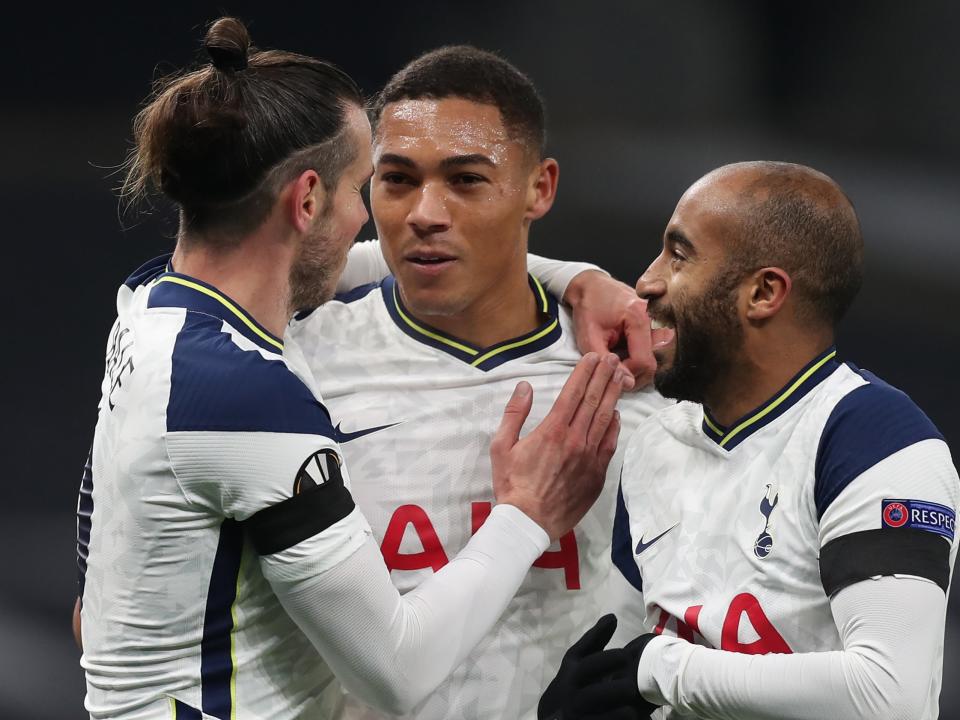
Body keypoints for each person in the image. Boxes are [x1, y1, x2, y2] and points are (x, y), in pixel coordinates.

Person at [75, 18, 632, 720]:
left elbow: (327, 266)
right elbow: (396, 673)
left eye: (464, 180)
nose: (389, 220)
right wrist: (527, 513)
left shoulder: (152, 310)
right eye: (374, 185)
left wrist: (572, 278)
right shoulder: (250, 393)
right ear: (307, 201)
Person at [290, 46, 671, 719]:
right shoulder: (295, 361)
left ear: (540, 188)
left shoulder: (639, 368)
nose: (425, 213)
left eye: (466, 181)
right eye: (398, 180)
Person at [540, 161, 959, 720]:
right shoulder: (655, 441)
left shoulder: (875, 440)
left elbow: (889, 696)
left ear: (763, 293)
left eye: (679, 254)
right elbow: (626, 652)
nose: (646, 281)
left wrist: (662, 671)